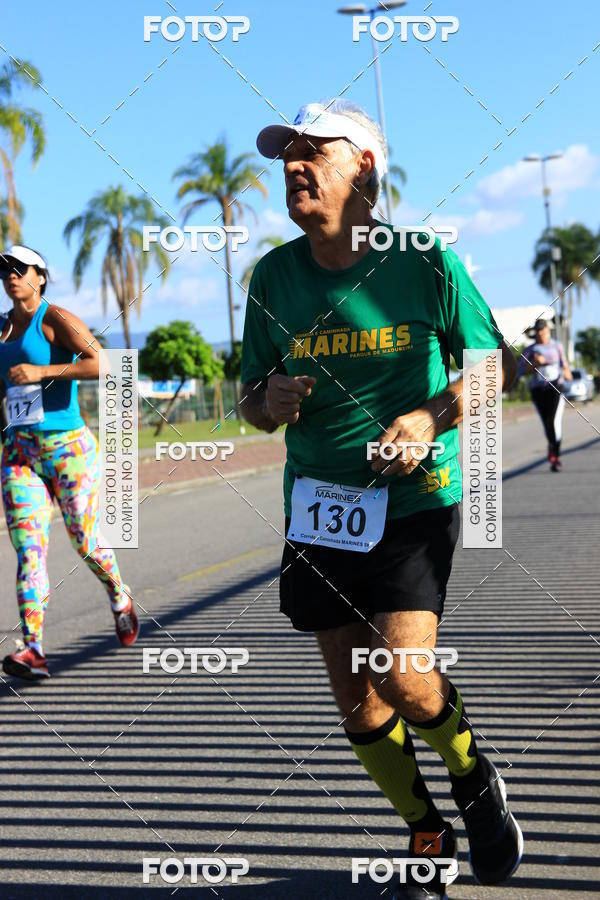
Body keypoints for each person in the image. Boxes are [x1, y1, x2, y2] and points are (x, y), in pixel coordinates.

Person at [240, 100, 522, 899]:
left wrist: (431, 415)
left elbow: (493, 365)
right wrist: (270, 401)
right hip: (320, 507)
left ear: (364, 165)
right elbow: (248, 398)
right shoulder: (272, 277)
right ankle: (426, 838)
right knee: (360, 705)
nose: (294, 166)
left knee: (405, 675)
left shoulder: (423, 259)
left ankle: (474, 779)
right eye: (286, 155)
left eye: (312, 152)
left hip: (411, 499)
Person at [0, 245, 139, 681]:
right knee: (29, 551)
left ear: (40, 276)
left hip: (68, 448)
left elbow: (106, 364)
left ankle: (119, 595)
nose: (11, 277)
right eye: (4, 272)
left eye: (19, 269)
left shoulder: (54, 318)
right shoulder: (1, 329)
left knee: (85, 541)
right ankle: (34, 649)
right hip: (18, 452)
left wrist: (42, 373)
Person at [517, 318, 571, 471]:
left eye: (543, 330)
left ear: (548, 330)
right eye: (538, 331)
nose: (541, 333)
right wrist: (535, 364)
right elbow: (521, 371)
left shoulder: (557, 346)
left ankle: (555, 456)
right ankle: (553, 449)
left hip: (556, 387)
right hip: (538, 390)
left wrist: (568, 375)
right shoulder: (530, 350)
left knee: (554, 422)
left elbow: (564, 366)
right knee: (546, 423)